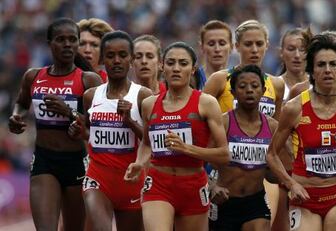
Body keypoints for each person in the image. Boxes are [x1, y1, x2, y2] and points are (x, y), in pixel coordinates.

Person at [266, 34, 336, 231]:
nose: (328, 70)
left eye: (333, 64)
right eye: (321, 65)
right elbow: (271, 154)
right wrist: (291, 184)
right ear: (311, 70)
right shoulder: (294, 107)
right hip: (305, 195)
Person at [8, 18, 102, 231]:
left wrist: (68, 112)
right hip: (44, 160)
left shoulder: (89, 80)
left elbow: (99, 124)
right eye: (61, 40)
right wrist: (16, 117)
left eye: (72, 40)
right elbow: (21, 103)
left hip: (77, 162)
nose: (67, 44)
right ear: (49, 43)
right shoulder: (33, 76)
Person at [124, 41, 230, 231]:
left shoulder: (206, 103)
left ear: (193, 68)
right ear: (162, 66)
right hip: (158, 183)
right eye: (171, 63)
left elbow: (224, 154)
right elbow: (147, 144)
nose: (176, 68)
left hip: (193, 185)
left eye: (183, 63)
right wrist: (140, 163)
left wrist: (186, 148)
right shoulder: (149, 104)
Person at [68, 30, 152, 231]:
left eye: (122, 55)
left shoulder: (142, 96)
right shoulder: (90, 96)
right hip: (98, 178)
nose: (116, 61)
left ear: (131, 59)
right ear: (103, 59)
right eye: (110, 55)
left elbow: (151, 142)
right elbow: (89, 131)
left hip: (131, 181)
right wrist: (78, 131)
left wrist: (129, 121)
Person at [209, 65, 278, 231]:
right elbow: (202, 163)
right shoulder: (223, 122)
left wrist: (279, 174)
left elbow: (274, 174)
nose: (249, 90)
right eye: (242, 86)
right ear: (232, 92)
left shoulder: (273, 126)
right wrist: (212, 187)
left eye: (255, 86)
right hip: (224, 201)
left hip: (255, 202)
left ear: (263, 90)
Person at [271, 27, 311, 231]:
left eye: (302, 49)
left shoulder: (320, 87)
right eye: (291, 48)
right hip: (277, 173)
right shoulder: (270, 86)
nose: (297, 55)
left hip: (309, 174)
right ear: (281, 52)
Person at [204, 19, 284, 120]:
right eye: (248, 44)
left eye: (259, 44)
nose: (254, 50)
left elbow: (276, 128)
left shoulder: (277, 84)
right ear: (237, 46)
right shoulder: (219, 79)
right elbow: (201, 119)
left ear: (267, 45)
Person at [194, 20, 233, 90]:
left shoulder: (238, 80)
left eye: (222, 44)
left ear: (231, 47)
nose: (217, 49)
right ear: (202, 47)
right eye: (211, 44)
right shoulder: (193, 80)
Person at [78, 18, 114, 82]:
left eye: (94, 45)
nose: (87, 50)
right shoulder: (57, 78)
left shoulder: (111, 83)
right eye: (82, 44)